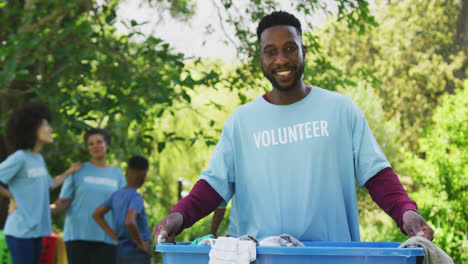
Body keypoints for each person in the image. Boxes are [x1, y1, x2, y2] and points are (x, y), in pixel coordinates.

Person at [153, 11, 434, 243]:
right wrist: (178, 216)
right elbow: (213, 187)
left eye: (289, 48)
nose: (281, 60)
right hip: (259, 258)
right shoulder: (241, 121)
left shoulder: (340, 110)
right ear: (261, 59)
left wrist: (406, 212)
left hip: (332, 259)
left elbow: (377, 176)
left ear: (303, 51)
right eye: (270, 52)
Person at [0, 102, 82, 264]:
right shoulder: (20, 157)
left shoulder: (38, 159)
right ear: (31, 128)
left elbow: (49, 185)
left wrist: (69, 172)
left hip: (37, 231)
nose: (50, 129)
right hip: (20, 231)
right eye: (45, 124)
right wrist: (13, 196)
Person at [50, 128, 126, 264]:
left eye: (99, 142)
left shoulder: (117, 174)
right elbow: (63, 202)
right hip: (77, 235)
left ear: (107, 145)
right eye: (91, 143)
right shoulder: (77, 170)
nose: (95, 146)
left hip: (107, 237)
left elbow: (124, 206)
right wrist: (46, 209)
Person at [92, 155, 152, 264]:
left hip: (121, 250)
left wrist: (115, 237)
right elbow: (130, 221)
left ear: (126, 172)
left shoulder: (116, 195)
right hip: (137, 252)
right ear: (144, 177)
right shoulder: (136, 197)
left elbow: (97, 214)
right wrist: (141, 244)